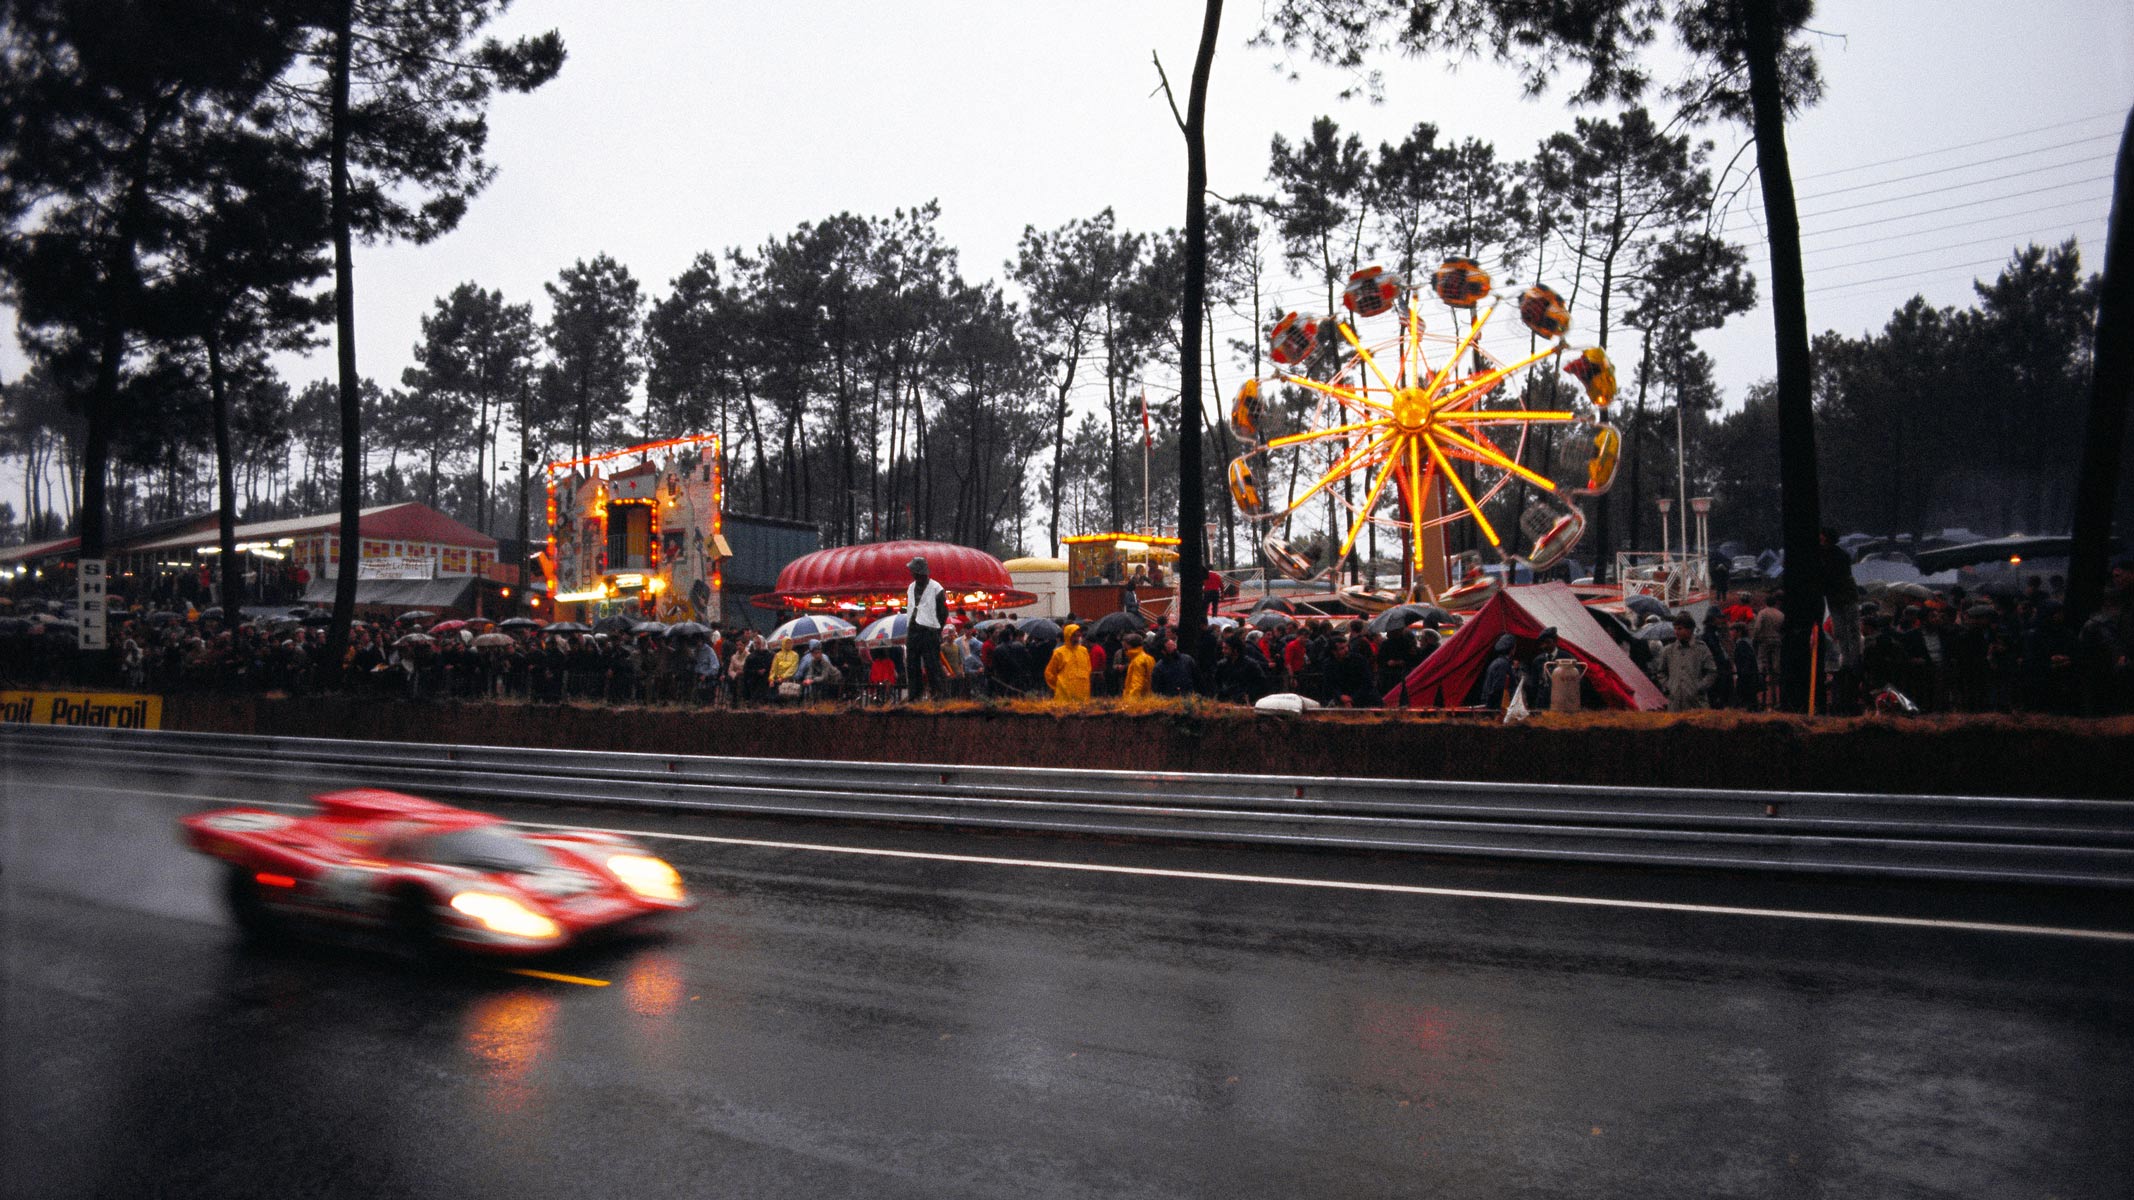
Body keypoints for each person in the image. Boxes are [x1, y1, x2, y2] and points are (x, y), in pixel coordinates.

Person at [904, 556, 950, 701]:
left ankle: (938, 695)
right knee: (912, 664)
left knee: (932, 665)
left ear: (920, 572)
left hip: (929, 631)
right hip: (913, 630)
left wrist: (936, 629)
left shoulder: (936, 588)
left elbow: (943, 612)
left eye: (913, 571)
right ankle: (914, 695)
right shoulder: (911, 587)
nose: (911, 573)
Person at [1650, 612, 1718, 710]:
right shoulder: (1668, 650)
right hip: (1675, 704)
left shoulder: (1701, 649)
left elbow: (1712, 671)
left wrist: (1699, 687)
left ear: (1690, 630)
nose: (1676, 632)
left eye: (1680, 628)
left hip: (1696, 703)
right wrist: (1669, 686)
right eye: (1675, 628)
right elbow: (1661, 672)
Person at [1044, 623, 1092, 703]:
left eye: (1078, 636)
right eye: (1073, 636)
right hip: (1064, 695)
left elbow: (1088, 668)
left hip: (1083, 693)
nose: (1076, 638)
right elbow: (1049, 673)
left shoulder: (1084, 651)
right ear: (1067, 636)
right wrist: (1059, 686)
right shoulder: (1059, 652)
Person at [1478, 634, 1520, 709]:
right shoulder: (1502, 664)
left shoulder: (1498, 662)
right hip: (1495, 708)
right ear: (1511, 650)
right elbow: (1497, 688)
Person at [1120, 632, 1155, 700]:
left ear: (1129, 645)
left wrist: (1131, 701)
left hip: (1139, 699)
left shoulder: (1137, 660)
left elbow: (1137, 682)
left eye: (1125, 644)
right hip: (1148, 696)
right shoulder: (1149, 658)